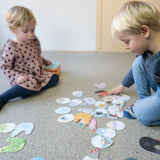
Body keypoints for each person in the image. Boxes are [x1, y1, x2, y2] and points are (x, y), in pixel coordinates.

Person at [110, 0, 160, 126]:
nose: (126, 46)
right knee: (138, 62)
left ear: (144, 31)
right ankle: (144, 101)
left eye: (127, 41)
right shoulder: (147, 48)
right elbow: (136, 69)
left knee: (142, 114)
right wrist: (122, 85)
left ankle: (144, 107)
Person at [0, 6, 59, 110]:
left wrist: (45, 62)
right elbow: (5, 67)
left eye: (33, 30)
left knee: (55, 78)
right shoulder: (11, 46)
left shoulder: (34, 40)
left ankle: (29, 90)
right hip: (23, 77)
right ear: (13, 29)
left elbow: (36, 56)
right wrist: (16, 77)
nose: (31, 34)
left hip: (38, 74)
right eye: (25, 31)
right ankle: (3, 98)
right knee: (28, 83)